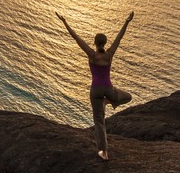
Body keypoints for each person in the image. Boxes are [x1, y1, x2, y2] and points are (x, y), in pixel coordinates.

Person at [56, 10, 134, 160]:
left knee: (99, 121)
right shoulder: (109, 54)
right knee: (128, 97)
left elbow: (76, 38)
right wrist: (127, 21)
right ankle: (109, 101)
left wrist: (64, 21)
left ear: (95, 42)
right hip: (109, 89)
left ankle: (104, 152)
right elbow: (120, 37)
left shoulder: (92, 55)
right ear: (105, 43)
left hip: (95, 91)